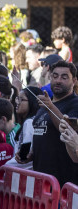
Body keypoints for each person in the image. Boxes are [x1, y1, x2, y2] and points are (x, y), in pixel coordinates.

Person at [24, 61, 78, 189]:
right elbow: (42, 135)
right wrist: (30, 154)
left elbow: (69, 130)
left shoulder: (75, 104)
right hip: (41, 180)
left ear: (74, 81)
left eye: (64, 77)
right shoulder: (45, 104)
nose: (58, 80)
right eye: (55, 76)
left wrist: (50, 107)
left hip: (64, 183)